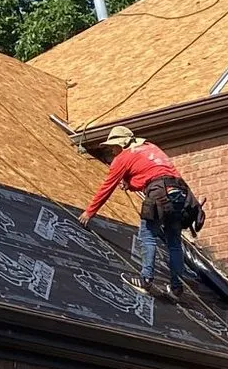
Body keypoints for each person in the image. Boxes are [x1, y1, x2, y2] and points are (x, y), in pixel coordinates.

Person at [78, 125, 197, 299]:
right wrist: (131, 184)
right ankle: (177, 288)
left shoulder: (123, 158)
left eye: (113, 147)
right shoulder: (150, 148)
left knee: (147, 235)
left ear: (121, 144)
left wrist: (89, 212)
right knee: (174, 242)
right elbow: (156, 174)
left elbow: (107, 187)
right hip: (180, 194)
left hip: (158, 193)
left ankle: (146, 279)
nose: (112, 150)